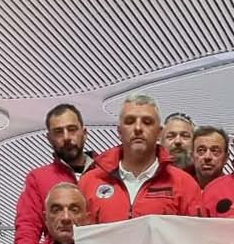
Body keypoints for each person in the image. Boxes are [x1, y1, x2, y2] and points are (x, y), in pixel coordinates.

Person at [79, 93, 203, 223]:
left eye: (147, 122)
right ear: (119, 132)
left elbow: (196, 239)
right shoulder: (89, 182)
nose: (138, 128)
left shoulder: (184, 185)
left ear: (159, 133)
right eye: (130, 122)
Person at [15, 104, 96, 244]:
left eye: (72, 130)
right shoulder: (38, 179)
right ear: (49, 138)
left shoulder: (108, 171)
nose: (66, 137)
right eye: (58, 132)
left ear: (84, 133)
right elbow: (27, 228)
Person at [191, 125, 230, 191]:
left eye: (215, 151)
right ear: (192, 156)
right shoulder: (184, 189)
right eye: (201, 150)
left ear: (226, 158)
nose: (207, 157)